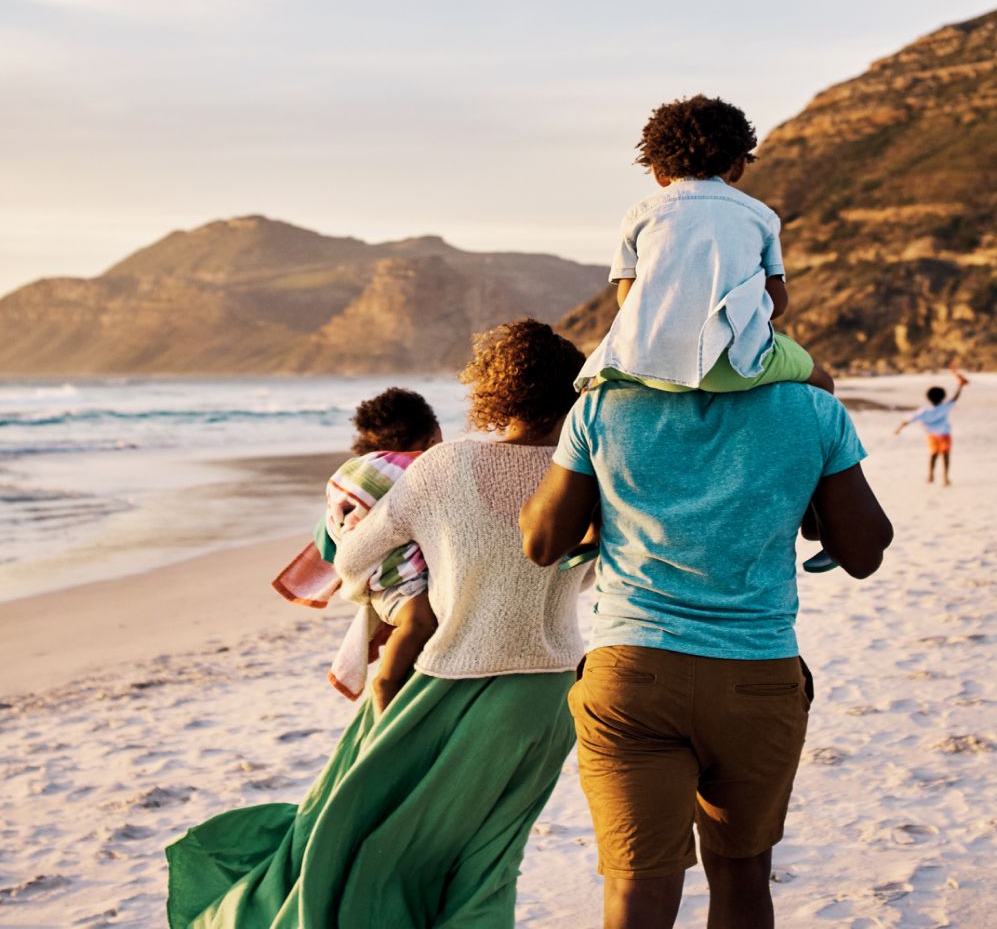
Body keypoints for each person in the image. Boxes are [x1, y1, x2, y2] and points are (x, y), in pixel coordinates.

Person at [167, 320, 593, 929]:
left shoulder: (442, 467)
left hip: (448, 685)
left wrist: (406, 588)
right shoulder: (585, 476)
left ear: (495, 393)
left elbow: (350, 558)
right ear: (571, 394)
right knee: (492, 861)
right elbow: (579, 573)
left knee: (370, 839)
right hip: (548, 698)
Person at [520, 381, 893, 929]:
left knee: (635, 888)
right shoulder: (812, 407)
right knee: (742, 876)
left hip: (632, 674)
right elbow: (863, 553)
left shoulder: (602, 406)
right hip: (757, 677)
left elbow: (542, 543)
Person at [576, 93, 837, 573]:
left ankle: (591, 525)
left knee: (588, 407)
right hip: (736, 363)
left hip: (647, 364)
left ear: (656, 169)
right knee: (822, 384)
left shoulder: (640, 214)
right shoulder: (760, 216)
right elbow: (777, 303)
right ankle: (821, 523)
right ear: (738, 165)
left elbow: (626, 300)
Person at [270, 386, 443, 706]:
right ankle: (386, 684)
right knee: (419, 621)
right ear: (431, 437)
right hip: (395, 578)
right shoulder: (416, 469)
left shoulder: (356, 472)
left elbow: (328, 535)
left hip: (371, 577)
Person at [894, 369, 970, 486]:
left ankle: (930, 475)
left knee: (933, 455)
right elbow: (955, 398)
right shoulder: (944, 407)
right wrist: (960, 386)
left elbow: (908, 420)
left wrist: (898, 429)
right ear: (943, 397)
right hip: (945, 435)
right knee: (945, 456)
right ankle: (945, 477)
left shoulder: (924, 411)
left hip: (932, 436)